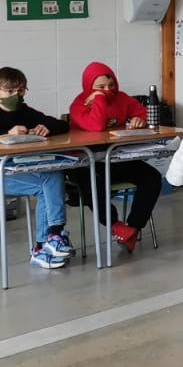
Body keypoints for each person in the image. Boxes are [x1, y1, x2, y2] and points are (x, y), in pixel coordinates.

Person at [0, 66, 75, 270]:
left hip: (19, 169)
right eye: (9, 91)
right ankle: (49, 240)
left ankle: (49, 241)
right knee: (48, 183)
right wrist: (5, 133)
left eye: (20, 90)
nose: (16, 95)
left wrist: (47, 128)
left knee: (53, 173)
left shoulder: (26, 111)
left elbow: (62, 125)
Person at [67, 62, 164, 254]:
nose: (107, 90)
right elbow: (96, 126)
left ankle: (133, 228)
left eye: (111, 86)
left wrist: (139, 120)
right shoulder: (79, 104)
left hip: (114, 159)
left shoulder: (122, 98)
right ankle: (115, 225)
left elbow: (145, 114)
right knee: (92, 183)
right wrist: (99, 99)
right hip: (84, 163)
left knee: (152, 177)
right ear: (88, 87)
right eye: (100, 87)